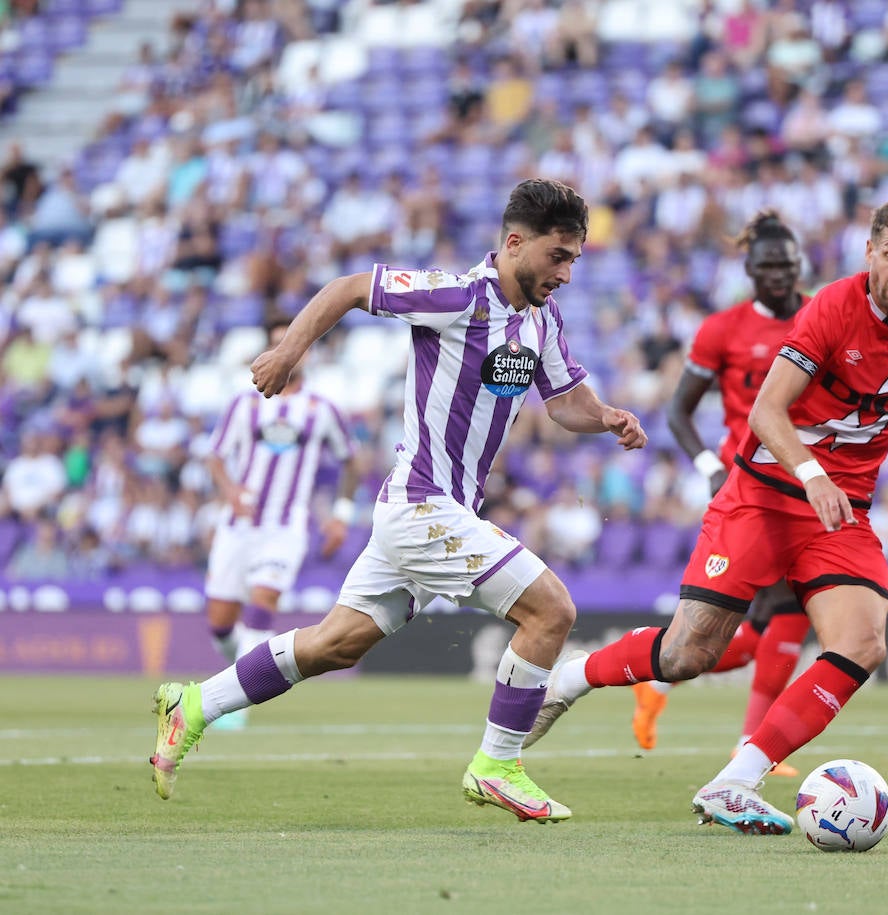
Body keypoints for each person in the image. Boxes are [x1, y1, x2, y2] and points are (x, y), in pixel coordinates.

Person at [149, 179, 647, 824]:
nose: (567, 273)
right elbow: (352, 288)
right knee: (552, 612)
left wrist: (607, 417)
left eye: (575, 259)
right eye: (558, 255)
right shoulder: (459, 296)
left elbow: (564, 404)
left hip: (433, 515)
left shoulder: (540, 320)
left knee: (334, 645)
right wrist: (287, 352)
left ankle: (193, 705)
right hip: (422, 506)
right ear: (515, 242)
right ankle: (498, 763)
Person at [524, 198, 888, 836]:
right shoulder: (831, 308)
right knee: (686, 655)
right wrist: (811, 474)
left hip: (839, 511)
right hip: (763, 492)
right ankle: (569, 679)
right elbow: (766, 413)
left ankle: (735, 781)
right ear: (869, 251)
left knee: (863, 643)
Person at [631, 211, 812, 776]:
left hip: (809, 479)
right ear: (748, 269)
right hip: (753, 486)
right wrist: (710, 465)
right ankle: (749, 743)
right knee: (785, 611)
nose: (779, 275)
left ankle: (661, 679)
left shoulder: (824, 316)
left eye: (787, 264)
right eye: (768, 266)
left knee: (762, 629)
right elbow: (678, 410)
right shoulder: (722, 330)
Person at [201, 318, 363, 729]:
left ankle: (233, 708)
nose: (289, 351)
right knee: (220, 622)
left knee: (262, 603)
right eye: (278, 344)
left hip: (286, 527)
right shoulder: (245, 403)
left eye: (295, 344)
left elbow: (351, 461)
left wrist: (340, 517)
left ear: (305, 351)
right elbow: (215, 456)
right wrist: (231, 491)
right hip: (239, 526)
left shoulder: (321, 409)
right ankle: (236, 672)